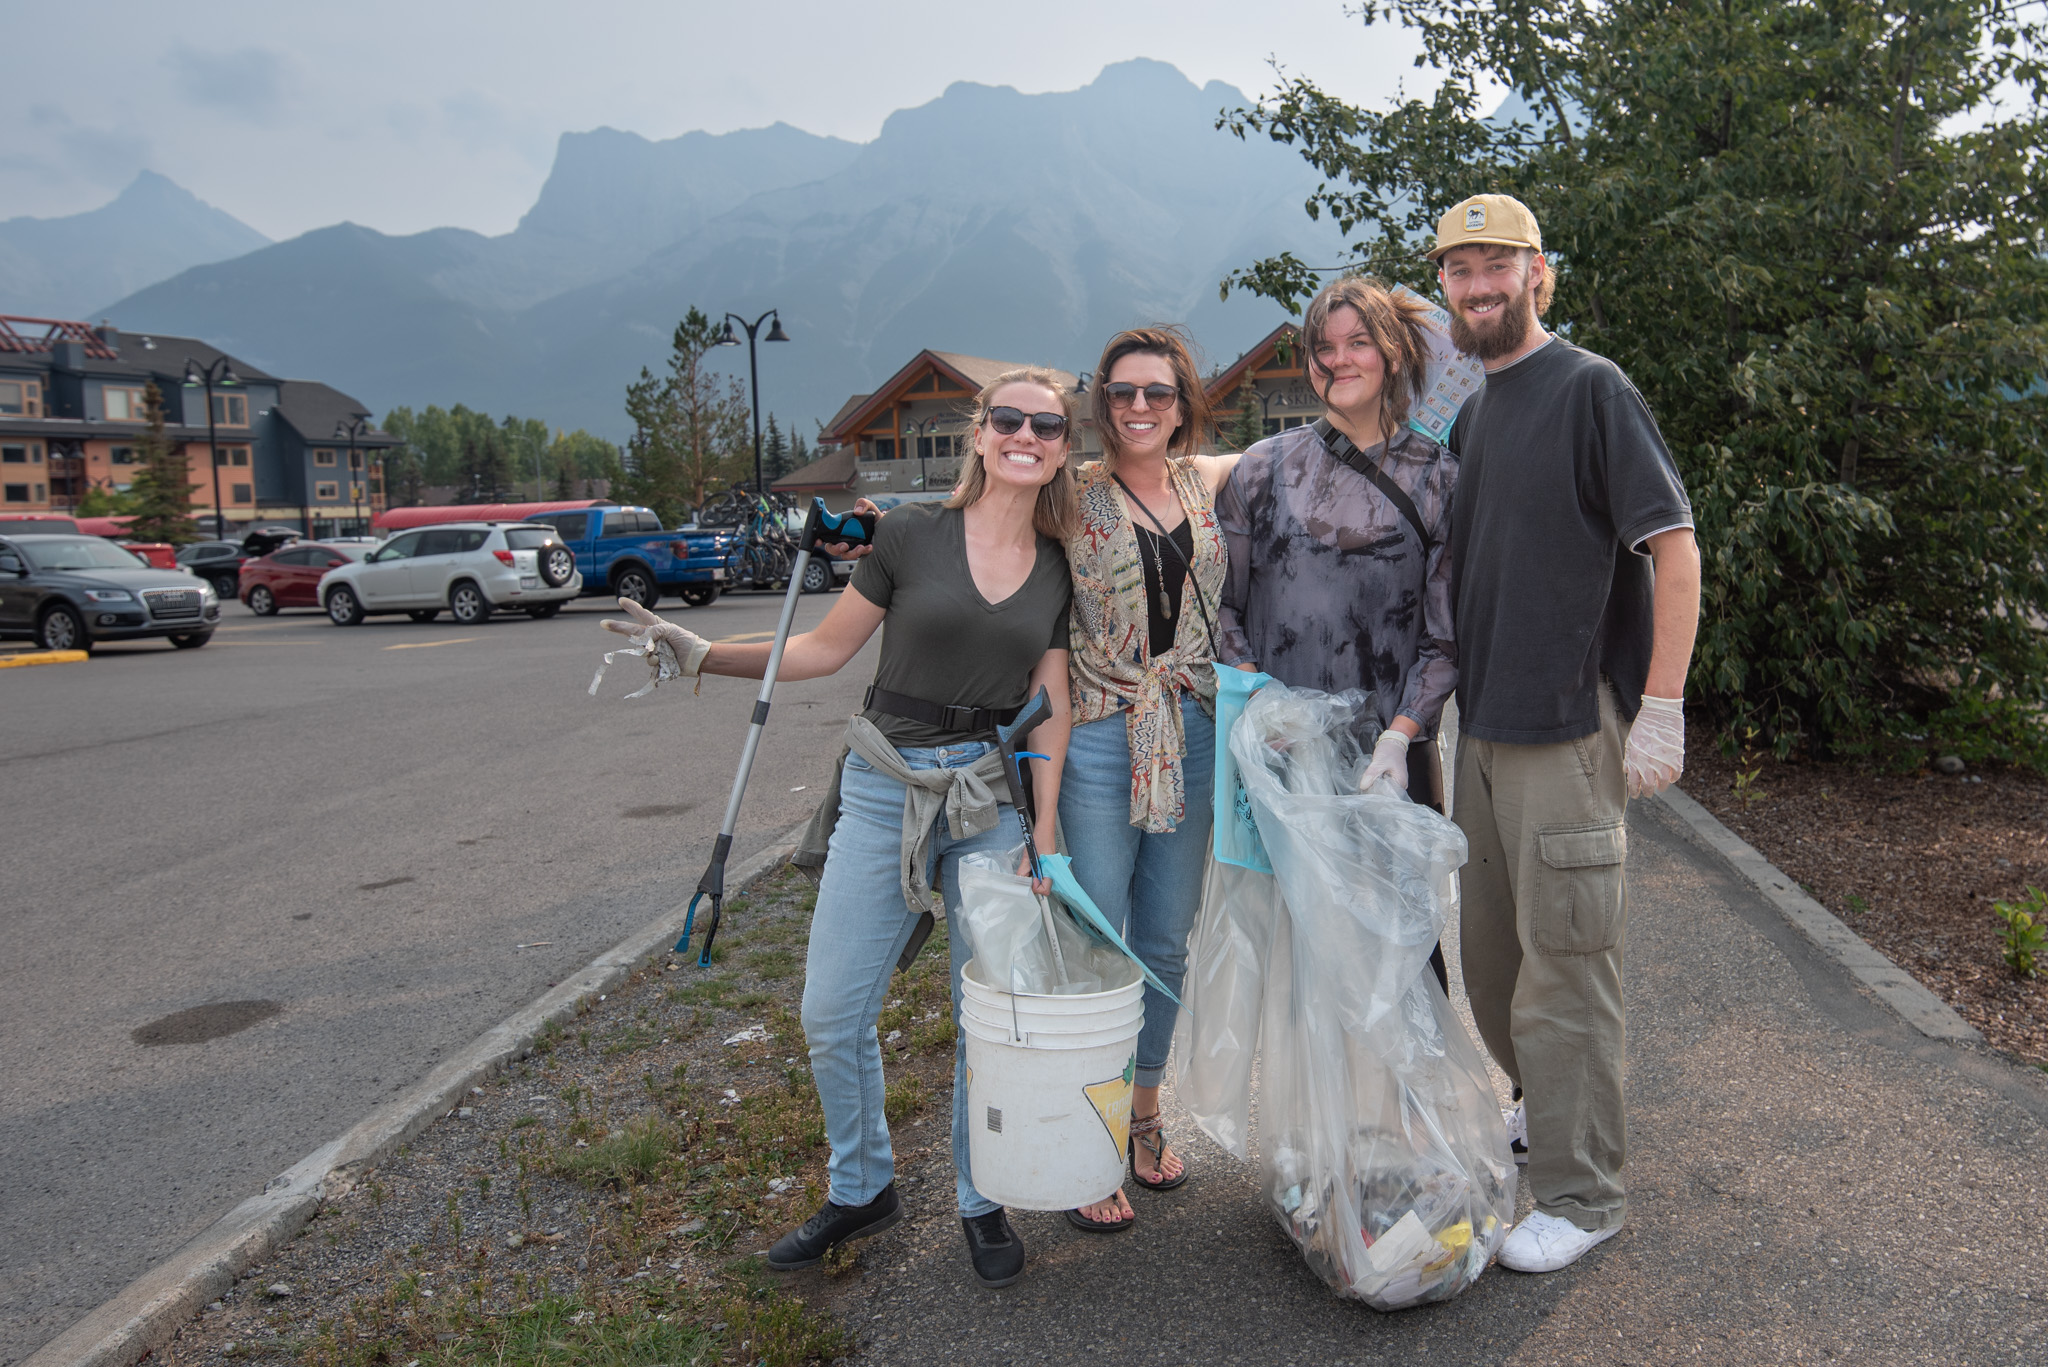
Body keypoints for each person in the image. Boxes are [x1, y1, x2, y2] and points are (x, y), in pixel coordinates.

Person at [602, 368, 1080, 1289]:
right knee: (831, 1009)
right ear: (981, 434)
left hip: (988, 797)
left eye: (1047, 425)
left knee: (987, 1014)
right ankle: (862, 1185)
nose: (1026, 434)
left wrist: (1046, 829)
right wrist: (703, 653)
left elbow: (1049, 701)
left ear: (1062, 448)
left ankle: (981, 1195)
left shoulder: (1059, 563)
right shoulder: (909, 535)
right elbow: (823, 649)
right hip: (884, 783)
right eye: (1009, 418)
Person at [1431, 193, 1699, 1273]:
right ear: (1443, 286)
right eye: (1460, 269)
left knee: (1569, 967)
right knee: (1493, 962)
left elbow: (1674, 547)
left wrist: (1660, 706)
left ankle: (1585, 1193)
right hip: (1482, 728)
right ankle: (1538, 1107)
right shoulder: (1473, 412)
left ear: (1538, 272)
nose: (1479, 285)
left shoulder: (1591, 388)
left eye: (1498, 265)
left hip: (1565, 726)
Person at [1215, 275, 1459, 979]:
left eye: (1359, 342)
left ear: (1393, 352)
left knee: (1400, 962)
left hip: (1388, 764)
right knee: (1291, 965)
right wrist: (1264, 706)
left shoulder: (1439, 478)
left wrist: (1401, 735)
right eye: (1324, 347)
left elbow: (1446, 637)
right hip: (1283, 758)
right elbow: (1222, 607)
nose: (1339, 360)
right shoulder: (1263, 469)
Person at [1057, 326, 1239, 1233]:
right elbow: (979, 509)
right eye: (1122, 392)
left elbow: (1320, 442)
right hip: (1100, 729)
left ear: (1182, 403)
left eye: (1157, 392)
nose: (1139, 407)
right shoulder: (1069, 495)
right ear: (1102, 402)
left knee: (1166, 937)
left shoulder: (1208, 480)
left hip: (1194, 727)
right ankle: (1086, 1137)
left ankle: (1143, 1114)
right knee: (1098, 940)